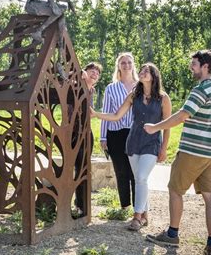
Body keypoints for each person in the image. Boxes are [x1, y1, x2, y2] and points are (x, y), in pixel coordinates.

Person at [144, 50, 211, 255]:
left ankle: (172, 234)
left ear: (205, 66)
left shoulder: (202, 88)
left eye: (194, 63)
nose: (191, 67)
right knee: (210, 197)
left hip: (192, 151)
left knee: (174, 190)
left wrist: (155, 127)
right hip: (210, 153)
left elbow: (182, 115)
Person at [92, 63, 171, 230]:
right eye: (141, 71)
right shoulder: (133, 95)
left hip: (151, 143)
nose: (142, 73)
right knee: (140, 179)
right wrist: (96, 114)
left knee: (141, 177)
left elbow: (167, 126)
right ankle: (145, 215)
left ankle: (136, 217)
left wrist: (164, 148)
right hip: (133, 141)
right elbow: (116, 115)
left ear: (154, 76)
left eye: (146, 71)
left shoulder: (164, 98)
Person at [99, 52, 138, 211]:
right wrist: (103, 137)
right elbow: (106, 112)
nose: (126, 65)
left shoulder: (140, 86)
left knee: (135, 172)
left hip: (135, 133)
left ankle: (138, 207)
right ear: (118, 66)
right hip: (115, 133)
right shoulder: (111, 88)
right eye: (123, 62)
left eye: (129, 62)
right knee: (121, 171)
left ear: (133, 65)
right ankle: (125, 206)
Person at [73, 62, 102, 215]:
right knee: (74, 167)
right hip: (72, 132)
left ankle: (81, 205)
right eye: (92, 71)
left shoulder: (92, 90)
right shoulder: (76, 84)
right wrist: (79, 72)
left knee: (83, 168)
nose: (95, 74)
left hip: (86, 132)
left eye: (97, 73)